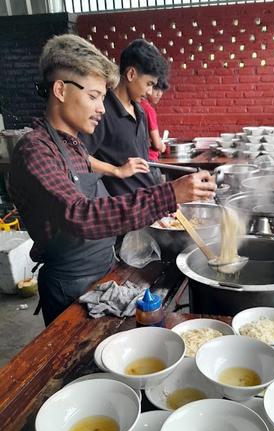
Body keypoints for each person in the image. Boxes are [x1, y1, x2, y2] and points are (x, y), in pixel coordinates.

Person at [8, 34, 216, 326]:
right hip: (70, 285)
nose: (102, 109)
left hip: (105, 271)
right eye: (93, 96)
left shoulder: (75, 146)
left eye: (103, 98)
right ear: (60, 90)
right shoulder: (35, 151)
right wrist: (169, 195)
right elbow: (79, 215)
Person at [80, 38, 168, 195]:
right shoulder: (102, 111)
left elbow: (142, 162)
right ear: (131, 74)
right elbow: (78, 157)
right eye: (148, 84)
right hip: (121, 209)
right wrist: (116, 170)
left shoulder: (140, 111)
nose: (149, 92)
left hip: (145, 203)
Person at [141, 76, 169, 162]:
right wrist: (163, 147)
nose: (160, 94)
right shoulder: (148, 110)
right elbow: (157, 144)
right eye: (156, 89)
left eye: (162, 91)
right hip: (150, 159)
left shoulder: (135, 105)